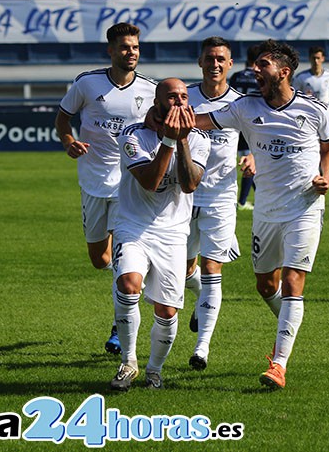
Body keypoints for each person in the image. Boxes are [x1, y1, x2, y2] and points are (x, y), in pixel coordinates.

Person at [191, 39, 329, 390]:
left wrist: (325, 177)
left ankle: (279, 364)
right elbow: (201, 121)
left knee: (292, 282)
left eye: (263, 65)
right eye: (254, 64)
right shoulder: (245, 108)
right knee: (265, 284)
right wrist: (165, 117)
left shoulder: (315, 110)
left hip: (304, 207)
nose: (254, 70)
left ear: (284, 72)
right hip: (266, 213)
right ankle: (289, 322)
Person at [55, 23, 157, 356]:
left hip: (130, 184)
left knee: (121, 256)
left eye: (136, 47)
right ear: (110, 50)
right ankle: (129, 274)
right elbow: (62, 118)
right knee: (100, 259)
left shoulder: (150, 90)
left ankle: (121, 320)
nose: (132, 53)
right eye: (126, 47)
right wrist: (69, 141)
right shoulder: (87, 83)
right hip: (93, 182)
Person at [109, 78, 210, 391]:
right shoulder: (132, 134)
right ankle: (128, 362)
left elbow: (191, 183)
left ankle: (154, 371)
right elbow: (150, 182)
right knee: (128, 285)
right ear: (156, 100)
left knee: (166, 311)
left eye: (183, 95)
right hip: (133, 225)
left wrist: (180, 140)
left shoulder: (199, 139)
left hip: (173, 233)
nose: (179, 101)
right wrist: (168, 140)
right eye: (172, 96)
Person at [184, 37, 254, 372]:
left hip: (221, 196)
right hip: (182, 195)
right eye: (210, 58)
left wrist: (252, 156)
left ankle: (202, 347)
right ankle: (199, 299)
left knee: (213, 269)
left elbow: (256, 140)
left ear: (230, 64)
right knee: (184, 270)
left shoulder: (241, 104)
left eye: (221, 59)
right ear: (200, 61)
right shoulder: (184, 97)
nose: (215, 64)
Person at [228, 44, 261, 211]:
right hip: (251, 121)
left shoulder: (235, 76)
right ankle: (241, 201)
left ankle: (251, 198)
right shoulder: (258, 76)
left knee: (245, 160)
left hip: (235, 121)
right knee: (251, 161)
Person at [292, 46, 329, 112]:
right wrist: (303, 97)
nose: (316, 61)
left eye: (318, 58)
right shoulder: (300, 77)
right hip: (308, 112)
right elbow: (293, 95)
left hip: (326, 111)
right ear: (309, 58)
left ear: (323, 58)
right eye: (313, 58)